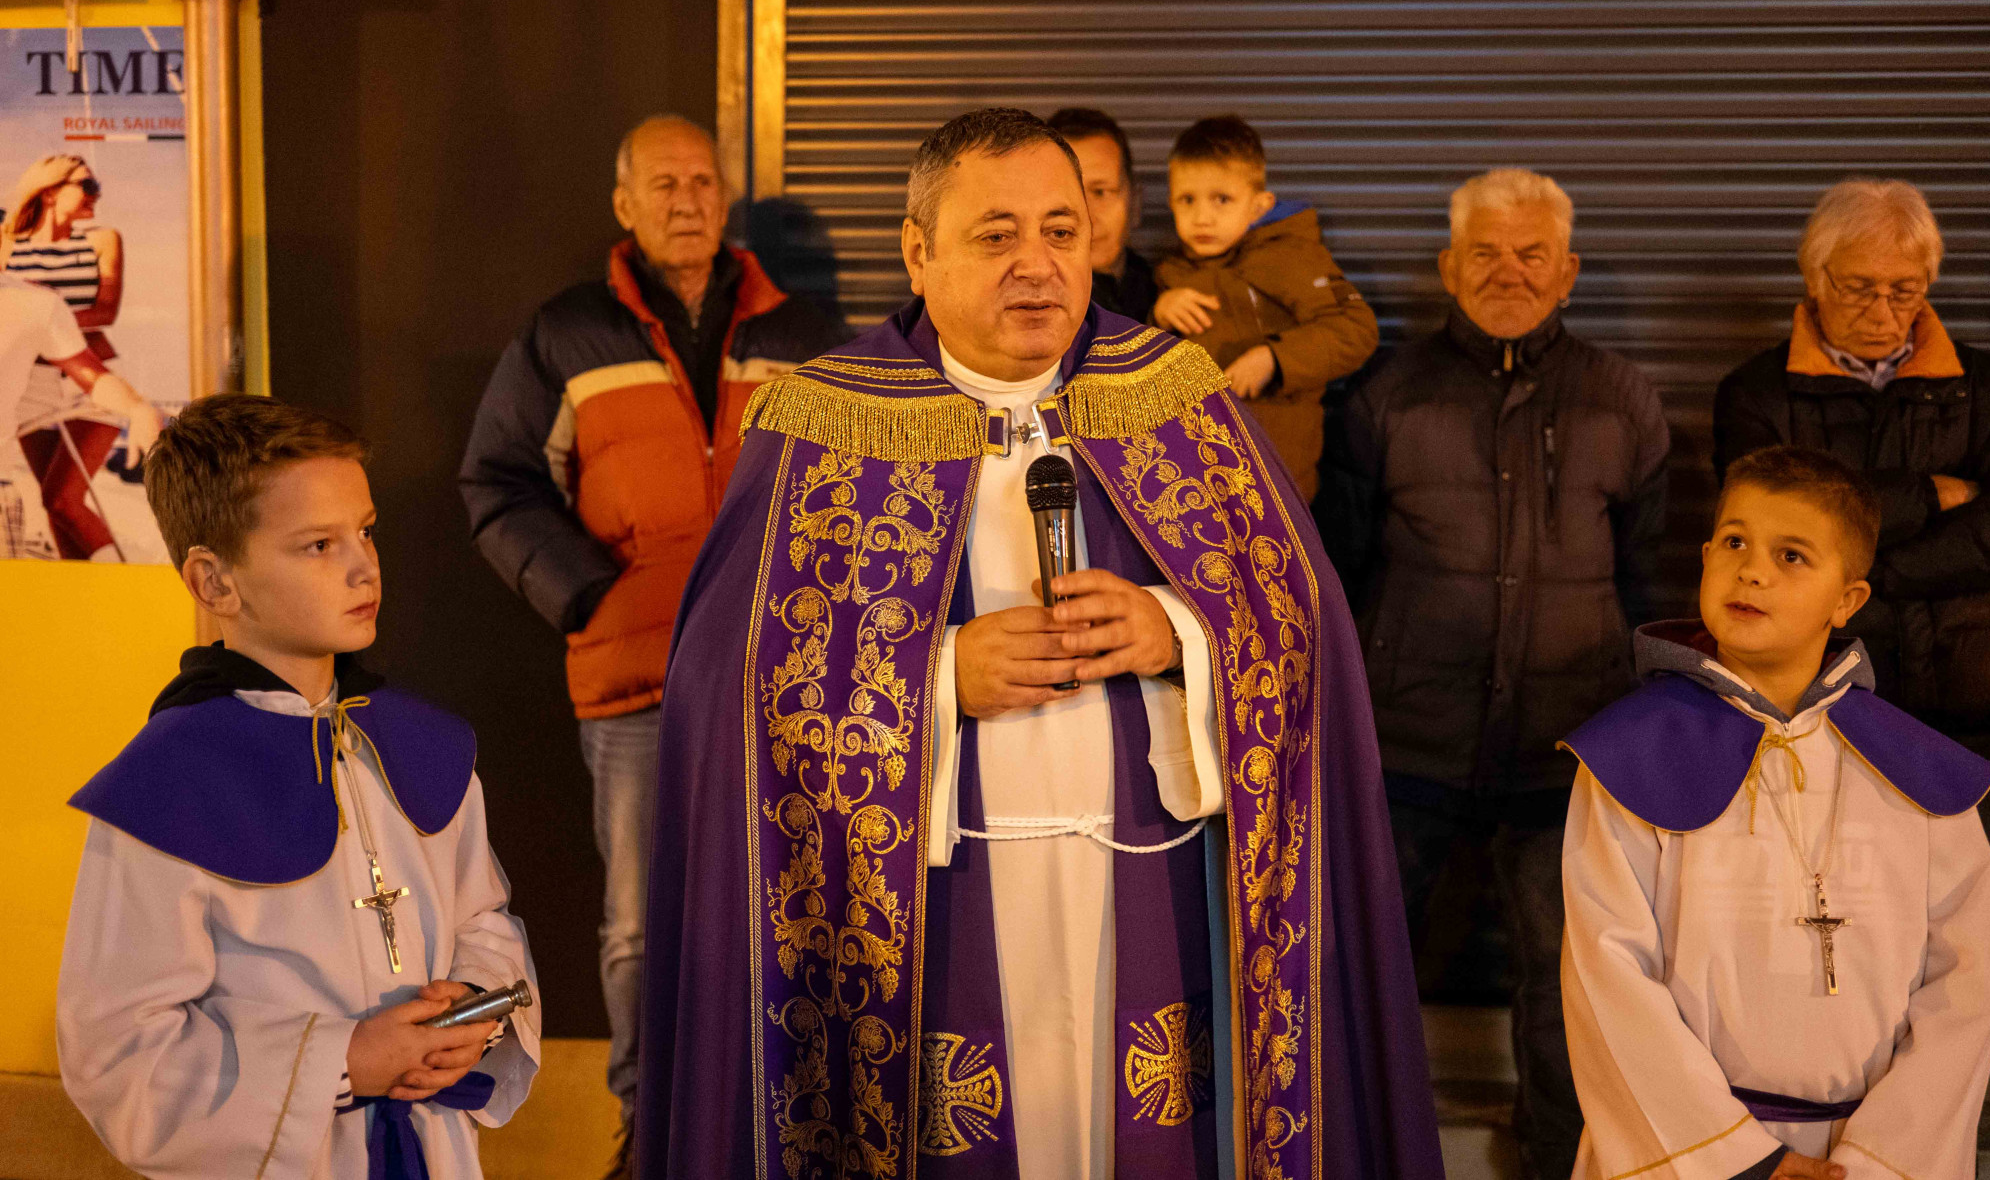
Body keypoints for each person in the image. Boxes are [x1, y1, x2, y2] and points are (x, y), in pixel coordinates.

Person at [632, 108, 1441, 1180]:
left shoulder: (1175, 396)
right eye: (995, 234)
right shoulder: (824, 421)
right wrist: (934, 677)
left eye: (1062, 231)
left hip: (1155, 896)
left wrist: (1177, 630)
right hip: (934, 906)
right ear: (917, 251)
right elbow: (727, 689)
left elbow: (1299, 627)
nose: (1037, 264)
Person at [458, 113, 841, 1171]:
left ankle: (774, 1111)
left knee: (788, 901)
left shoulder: (801, 331)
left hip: (779, 676)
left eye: (703, 181)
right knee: (636, 923)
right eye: (663, 184)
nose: (687, 200)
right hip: (635, 677)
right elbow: (497, 478)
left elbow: (855, 486)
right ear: (624, 204)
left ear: (726, 198)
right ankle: (649, 1125)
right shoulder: (566, 332)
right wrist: (589, 595)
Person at [58, 393, 541, 1178]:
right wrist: (344, 1060)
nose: (363, 565)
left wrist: (474, 1007)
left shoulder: (420, 745)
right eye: (318, 544)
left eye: (365, 530)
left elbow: (483, 919)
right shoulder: (164, 789)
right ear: (214, 582)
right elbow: (119, 1053)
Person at [1332, 167, 1669, 1180]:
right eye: (1485, 252)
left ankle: (1559, 1162)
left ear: (1567, 271)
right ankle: (1357, 1152)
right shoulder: (1385, 396)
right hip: (1407, 742)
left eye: (1531, 254)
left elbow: (1645, 573)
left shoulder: (1622, 397)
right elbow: (1341, 567)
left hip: (1565, 745)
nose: (1507, 272)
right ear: (1448, 266)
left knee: (1566, 983)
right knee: (1361, 968)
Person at [1562, 446, 1990, 1180]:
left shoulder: (1924, 777)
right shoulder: (1630, 757)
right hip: (1688, 1155)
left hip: (1870, 1157)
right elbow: (1607, 981)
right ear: (1705, 558)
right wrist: (1743, 1160)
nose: (1752, 571)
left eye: (1791, 555)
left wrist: (1880, 1160)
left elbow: (1966, 989)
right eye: (1735, 542)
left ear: (1847, 600)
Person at [1715, 177, 1990, 741]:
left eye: (1904, 291)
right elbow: (1775, 529)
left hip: (1975, 690)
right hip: (1816, 701)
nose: (1881, 312)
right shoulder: (1756, 394)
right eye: (1858, 289)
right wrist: (1930, 495)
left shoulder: (1987, 387)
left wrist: (1863, 571)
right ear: (1815, 278)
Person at [1149, 115, 1376, 499]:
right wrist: (1159, 314)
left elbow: (1356, 329)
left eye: (1222, 199)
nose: (1202, 217)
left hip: (1277, 482)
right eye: (1187, 200)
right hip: (1197, 480)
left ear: (1259, 206)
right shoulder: (1172, 273)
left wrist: (1275, 359)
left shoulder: (1291, 257)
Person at [4, 154, 136, 560]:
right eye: (88, 186)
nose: (97, 195)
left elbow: (106, 310)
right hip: (31, 386)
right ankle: (80, 584)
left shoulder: (101, 239)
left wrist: (44, 320)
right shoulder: (9, 243)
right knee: (53, 504)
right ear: (49, 191)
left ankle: (118, 577)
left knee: (65, 497)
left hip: (92, 376)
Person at [0, 270, 158, 558]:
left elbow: (91, 376)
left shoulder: (35, 303)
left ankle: (108, 575)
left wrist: (138, 407)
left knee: (62, 500)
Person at [1047, 107, 1155, 323]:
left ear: (1135, 203)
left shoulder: (1168, 287)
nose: (1087, 217)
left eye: (1100, 192)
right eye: (1067, 195)